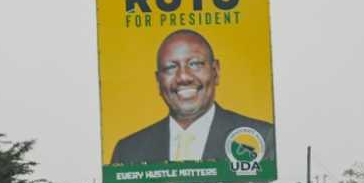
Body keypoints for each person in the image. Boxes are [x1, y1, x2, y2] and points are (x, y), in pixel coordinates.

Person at [110, 29, 274, 165]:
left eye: (195, 64)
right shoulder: (127, 152)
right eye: (170, 67)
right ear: (158, 81)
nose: (183, 77)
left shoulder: (261, 138)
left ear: (215, 72)